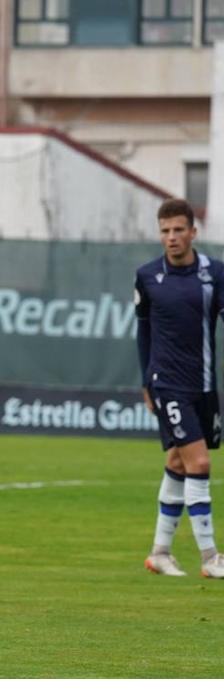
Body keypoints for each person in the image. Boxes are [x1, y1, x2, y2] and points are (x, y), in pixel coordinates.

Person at [136, 198, 224, 579]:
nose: (171, 238)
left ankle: (160, 553)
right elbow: (144, 329)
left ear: (193, 232)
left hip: (204, 386)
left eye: (177, 230)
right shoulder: (147, 276)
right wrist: (146, 380)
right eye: (164, 231)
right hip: (167, 384)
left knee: (177, 462)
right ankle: (210, 557)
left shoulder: (214, 274)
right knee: (199, 463)